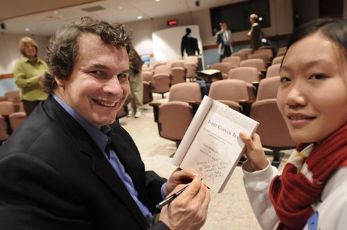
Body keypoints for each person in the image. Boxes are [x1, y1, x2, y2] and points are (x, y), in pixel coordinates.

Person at [0, 17, 210, 229]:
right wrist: (171, 227)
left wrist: (164, 189)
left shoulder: (98, 118)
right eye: (98, 72)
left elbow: (126, 182)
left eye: (122, 75)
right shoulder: (24, 166)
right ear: (60, 75)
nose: (117, 90)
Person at [240, 18, 347, 229]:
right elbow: (286, 219)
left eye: (316, 76)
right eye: (286, 79)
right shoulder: (310, 153)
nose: (291, 97)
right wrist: (261, 168)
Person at [13, 36, 48, 115]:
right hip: (31, 101)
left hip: (46, 98)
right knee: (37, 125)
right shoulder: (20, 64)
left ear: (36, 48)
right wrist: (38, 78)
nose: (30, 48)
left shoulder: (43, 63)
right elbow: (20, 83)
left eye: (32, 46)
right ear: (23, 50)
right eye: (26, 47)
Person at [128, 44, 144, 118]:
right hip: (128, 71)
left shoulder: (129, 48)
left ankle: (139, 109)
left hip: (135, 70)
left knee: (137, 90)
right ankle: (133, 109)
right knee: (130, 92)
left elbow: (135, 60)